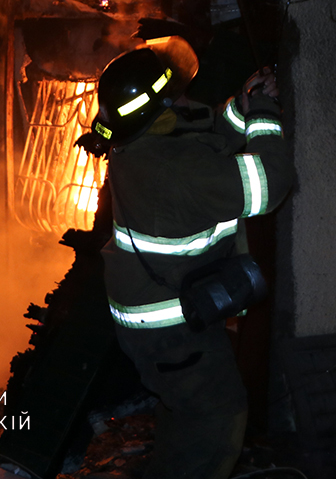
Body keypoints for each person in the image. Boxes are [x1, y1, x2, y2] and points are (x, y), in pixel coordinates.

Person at [76, 36, 291, 479]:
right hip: (172, 331)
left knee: (184, 412)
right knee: (216, 419)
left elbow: (202, 133)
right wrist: (265, 118)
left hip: (158, 314)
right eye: (179, 91)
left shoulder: (141, 141)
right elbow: (271, 184)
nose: (188, 96)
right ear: (163, 105)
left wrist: (243, 104)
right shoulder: (176, 169)